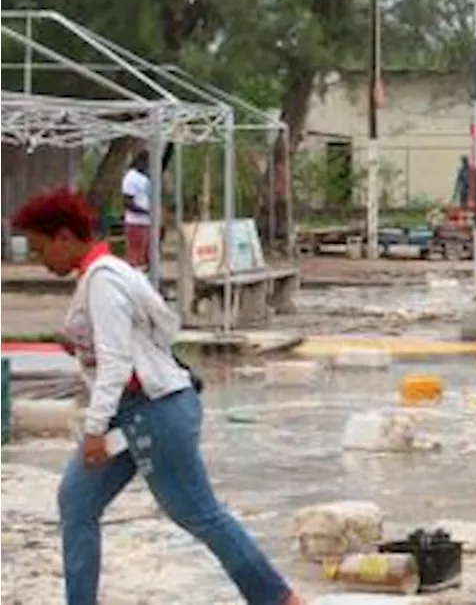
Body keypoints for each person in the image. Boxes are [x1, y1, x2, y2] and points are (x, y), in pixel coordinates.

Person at [10, 187, 303, 605]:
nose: (41, 262)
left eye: (41, 250)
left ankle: (279, 599)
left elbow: (116, 363)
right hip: (129, 412)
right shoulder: (108, 274)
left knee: (198, 514)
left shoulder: (103, 281)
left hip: (153, 411)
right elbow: (159, 330)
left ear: (64, 237)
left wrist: (94, 429)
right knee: (76, 501)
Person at [121, 151, 152, 268]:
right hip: (136, 222)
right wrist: (146, 211)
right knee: (135, 256)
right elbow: (127, 202)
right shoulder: (131, 177)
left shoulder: (145, 177)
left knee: (147, 255)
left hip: (147, 222)